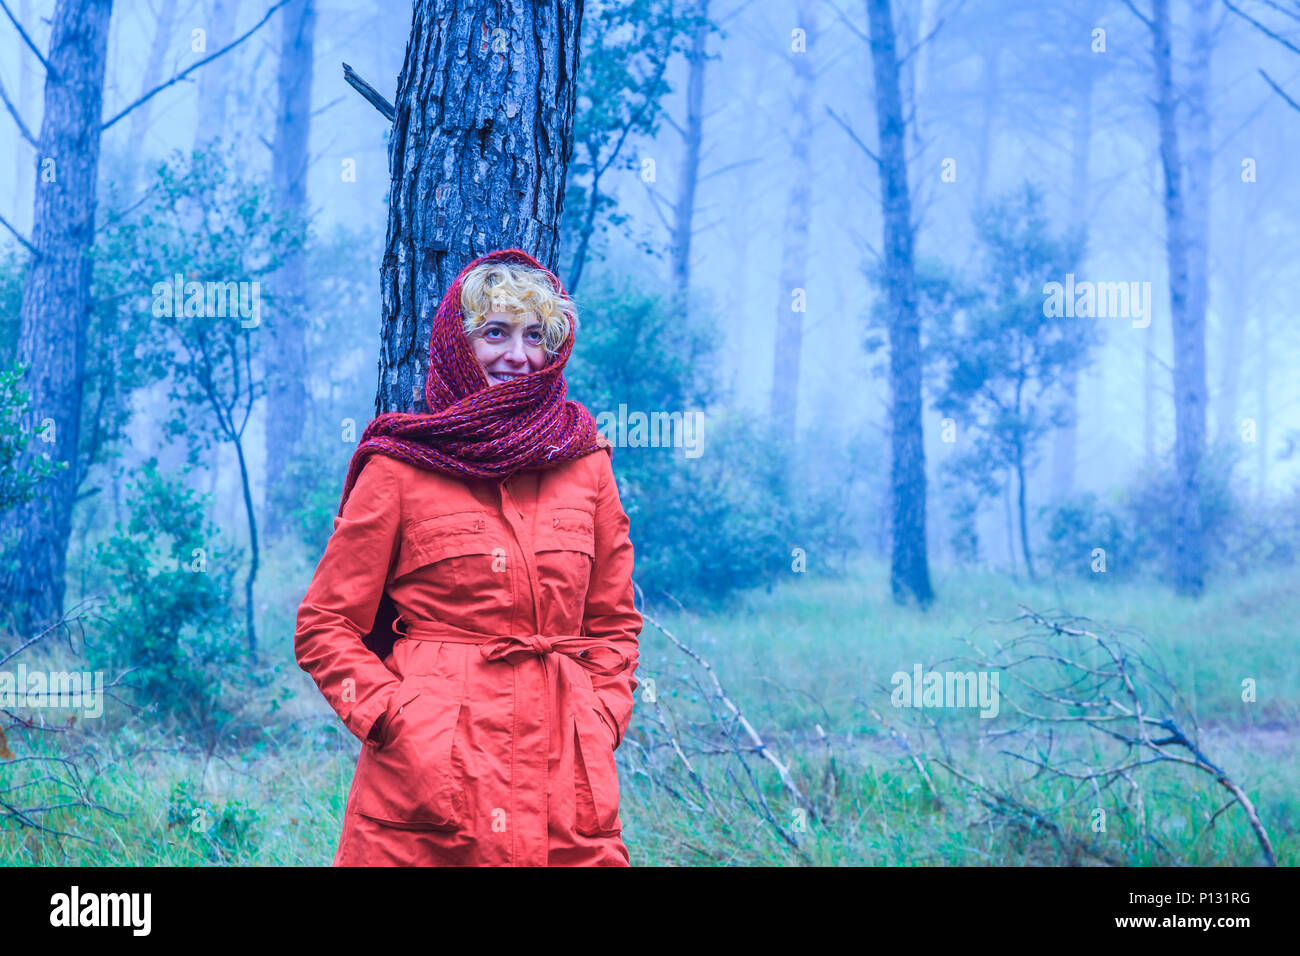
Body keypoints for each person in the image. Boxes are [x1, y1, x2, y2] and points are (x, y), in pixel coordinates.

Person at [294, 248, 641, 866]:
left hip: (566, 772)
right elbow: (325, 625)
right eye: (495, 334)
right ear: (459, 346)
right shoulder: (399, 467)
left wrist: (601, 714)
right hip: (428, 784)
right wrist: (394, 719)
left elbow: (613, 622)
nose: (518, 354)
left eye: (536, 335)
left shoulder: (587, 465)